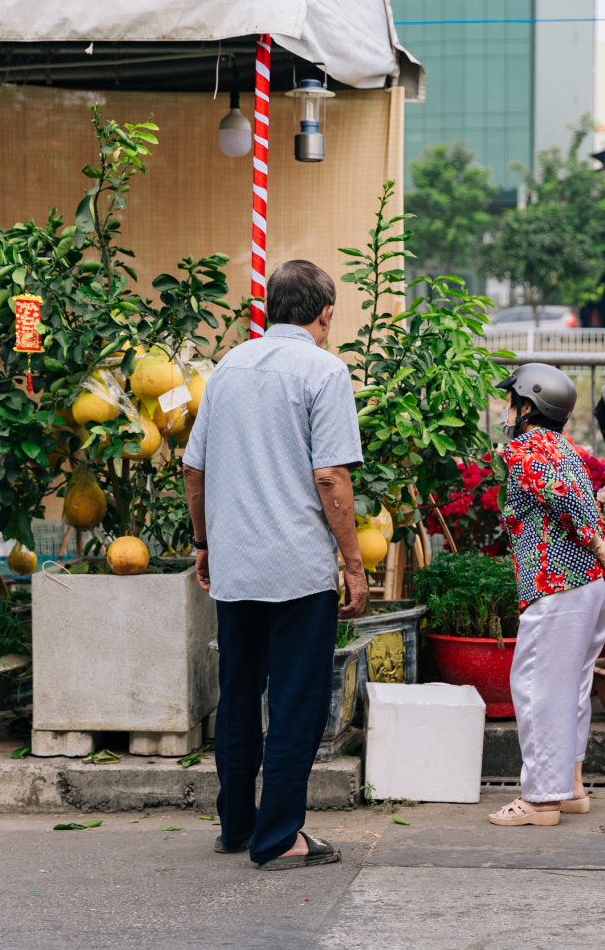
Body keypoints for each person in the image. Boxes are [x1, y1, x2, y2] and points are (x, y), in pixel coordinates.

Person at [183, 259, 367, 868]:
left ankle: (236, 826)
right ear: (324, 314)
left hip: (236, 567)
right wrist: (354, 563)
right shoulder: (324, 369)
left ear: (269, 308)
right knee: (294, 702)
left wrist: (205, 542)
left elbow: (194, 469)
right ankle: (279, 837)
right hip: (295, 568)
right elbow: (331, 476)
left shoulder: (228, 367)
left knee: (238, 697)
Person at [487, 364, 605, 826]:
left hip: (557, 583)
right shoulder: (563, 446)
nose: (506, 410)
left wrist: (597, 542)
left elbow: (565, 497)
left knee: (536, 689)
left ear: (528, 406)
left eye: (511, 401)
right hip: (588, 586)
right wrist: (599, 546)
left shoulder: (526, 449)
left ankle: (540, 802)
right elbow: (576, 497)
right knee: (571, 689)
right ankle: (569, 787)